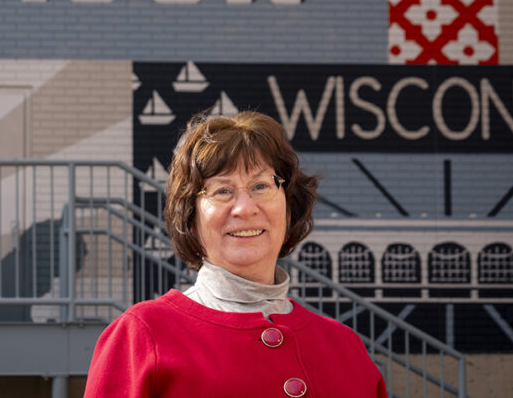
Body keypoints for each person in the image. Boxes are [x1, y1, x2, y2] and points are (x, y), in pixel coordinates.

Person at [84, 111, 387, 397]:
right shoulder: (142, 335)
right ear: (190, 217)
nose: (245, 208)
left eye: (260, 185)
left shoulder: (346, 348)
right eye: (222, 191)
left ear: (289, 206)